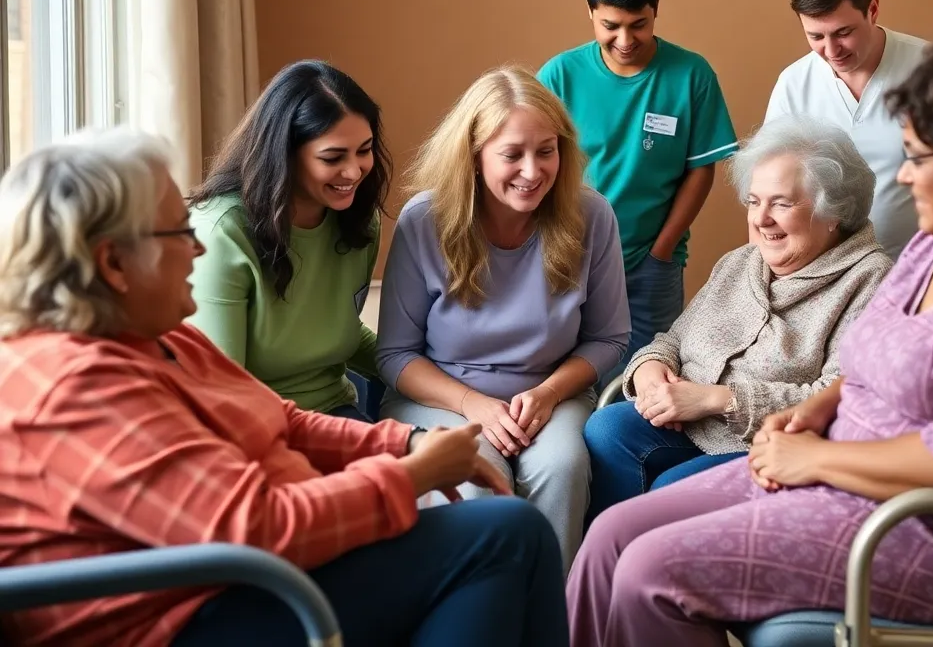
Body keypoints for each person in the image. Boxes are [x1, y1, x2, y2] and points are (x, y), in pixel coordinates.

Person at [566, 18, 933, 646]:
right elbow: (866, 358)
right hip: (856, 479)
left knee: (648, 573)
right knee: (610, 538)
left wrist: (815, 457)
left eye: (918, 158)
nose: (902, 178)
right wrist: (812, 413)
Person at [0, 127, 570, 647]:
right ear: (114, 264)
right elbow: (253, 529)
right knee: (503, 536)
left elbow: (282, 419)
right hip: (184, 616)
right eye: (179, 231)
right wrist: (413, 475)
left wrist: (406, 443)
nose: (197, 248)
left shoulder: (157, 335)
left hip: (248, 580)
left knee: (503, 539)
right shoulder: (75, 387)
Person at [376, 66, 630, 574]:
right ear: (473, 158)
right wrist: (475, 406)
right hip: (440, 396)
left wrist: (547, 394)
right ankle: (482, 613)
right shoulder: (424, 221)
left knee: (563, 466)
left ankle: (549, 619)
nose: (533, 171)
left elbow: (609, 338)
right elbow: (395, 356)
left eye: (546, 150)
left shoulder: (592, 214)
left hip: (548, 396)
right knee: (474, 471)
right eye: (512, 154)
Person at [582, 118, 891, 525]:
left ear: (832, 211)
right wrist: (651, 373)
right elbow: (672, 340)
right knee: (606, 428)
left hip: (770, 448)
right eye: (753, 201)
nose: (760, 219)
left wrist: (715, 399)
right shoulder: (741, 262)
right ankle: (608, 571)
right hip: (687, 428)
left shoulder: (871, 280)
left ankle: (644, 576)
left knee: (672, 488)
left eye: (781, 203)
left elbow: (840, 400)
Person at [537, 0, 738, 390]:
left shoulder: (691, 74)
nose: (625, 40)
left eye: (639, 25)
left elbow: (699, 170)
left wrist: (662, 250)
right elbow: (536, 169)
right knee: (567, 381)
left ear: (656, 11)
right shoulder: (559, 77)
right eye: (610, 26)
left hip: (652, 264)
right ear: (590, 12)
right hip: (571, 256)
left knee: (645, 386)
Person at [187, 60, 388, 420]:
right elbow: (223, 393)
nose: (354, 171)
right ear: (283, 155)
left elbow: (333, 330)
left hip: (335, 410)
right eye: (333, 157)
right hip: (249, 425)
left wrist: (429, 375)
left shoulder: (360, 222)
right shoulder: (223, 232)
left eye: (364, 150)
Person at [764, 0, 929, 260]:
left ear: (873, 10)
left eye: (843, 33)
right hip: (828, 271)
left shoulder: (931, 70)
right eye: (815, 36)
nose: (830, 51)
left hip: (915, 266)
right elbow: (769, 184)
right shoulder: (794, 83)